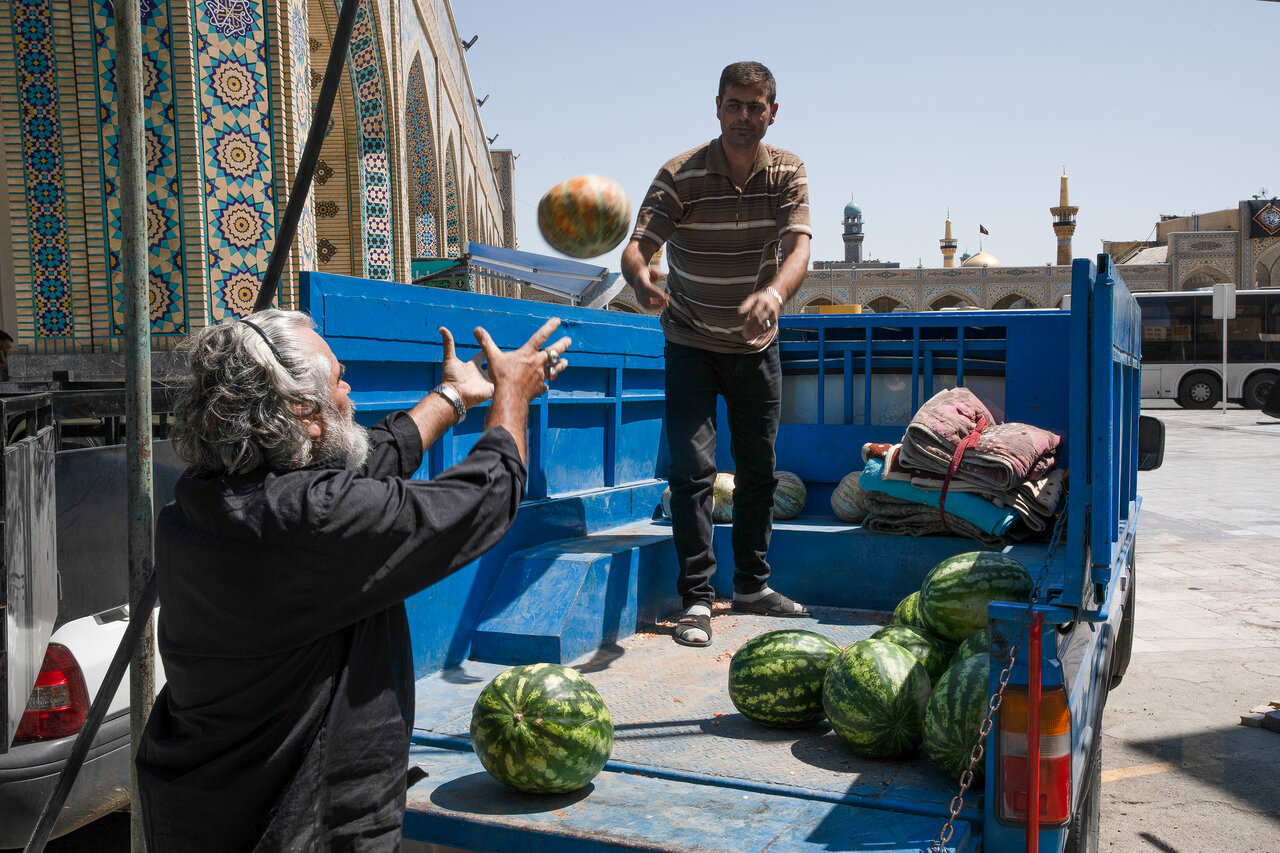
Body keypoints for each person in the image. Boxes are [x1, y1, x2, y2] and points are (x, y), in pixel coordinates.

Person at [135, 308, 570, 851]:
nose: (349, 390)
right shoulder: (309, 523)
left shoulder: (196, 506)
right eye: (339, 380)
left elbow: (359, 470)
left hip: (197, 816)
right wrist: (513, 393)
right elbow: (485, 496)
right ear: (303, 411)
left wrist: (453, 396)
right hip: (296, 831)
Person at [621, 61, 813, 648]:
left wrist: (773, 295)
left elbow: (798, 248)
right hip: (690, 341)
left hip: (756, 344)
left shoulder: (786, 171)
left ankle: (752, 586)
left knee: (759, 471)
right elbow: (637, 248)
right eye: (734, 104)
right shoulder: (680, 174)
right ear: (718, 107)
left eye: (755, 106)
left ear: (772, 112)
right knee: (692, 472)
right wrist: (640, 280)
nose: (744, 116)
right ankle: (697, 599)